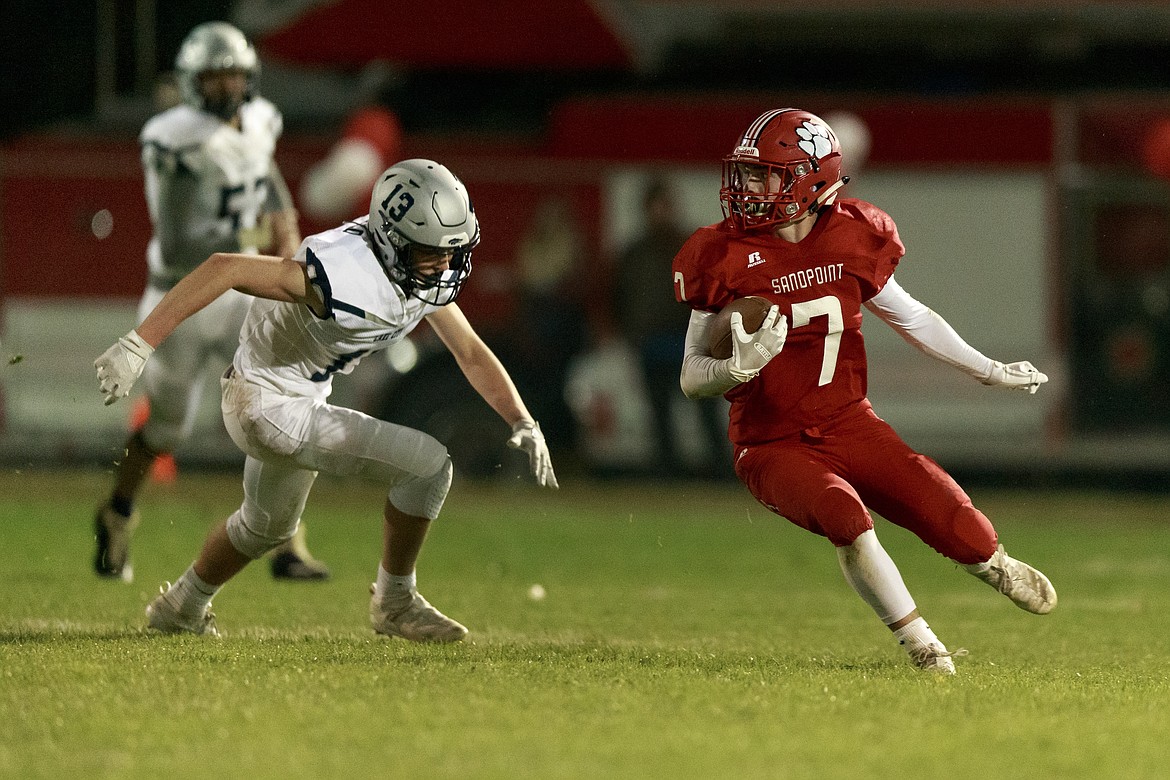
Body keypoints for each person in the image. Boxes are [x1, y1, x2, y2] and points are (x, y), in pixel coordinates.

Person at [94, 158, 559, 640]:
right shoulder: (340, 277)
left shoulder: (409, 267)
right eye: (432, 253)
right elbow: (224, 267)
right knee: (428, 467)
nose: (446, 265)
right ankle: (395, 602)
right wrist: (139, 343)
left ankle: (180, 608)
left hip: (283, 394)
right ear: (393, 241)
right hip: (268, 405)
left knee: (265, 527)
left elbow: (469, 350)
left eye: (451, 250)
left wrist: (521, 418)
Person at [673, 108, 1057, 674]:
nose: (747, 188)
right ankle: (923, 645)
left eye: (764, 175)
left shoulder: (854, 234)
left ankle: (992, 565)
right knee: (844, 514)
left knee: (956, 521)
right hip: (771, 443)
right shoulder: (722, 254)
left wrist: (988, 369)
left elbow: (913, 318)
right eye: (745, 174)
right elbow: (690, 376)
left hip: (850, 421)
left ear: (810, 178)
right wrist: (738, 368)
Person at [92, 21, 330, 583]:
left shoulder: (260, 118)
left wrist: (286, 229)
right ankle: (117, 511)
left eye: (234, 75)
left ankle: (288, 542)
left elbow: (264, 172)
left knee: (282, 399)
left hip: (242, 290)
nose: (226, 87)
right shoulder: (173, 137)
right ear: (192, 81)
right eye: (215, 76)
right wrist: (254, 243)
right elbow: (181, 242)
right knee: (169, 429)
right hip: (186, 293)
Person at [613, 179, 727, 478]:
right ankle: (667, 471)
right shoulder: (634, 253)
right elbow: (618, 296)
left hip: (690, 339)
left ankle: (720, 470)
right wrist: (627, 334)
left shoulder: (692, 246)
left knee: (706, 409)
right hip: (651, 342)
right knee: (660, 412)